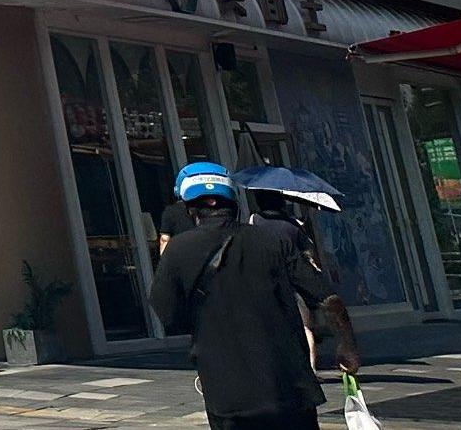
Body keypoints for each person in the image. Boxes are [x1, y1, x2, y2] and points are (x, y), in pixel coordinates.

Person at [150, 161, 358, 430]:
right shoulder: (272, 241)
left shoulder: (178, 251)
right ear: (233, 202)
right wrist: (347, 344)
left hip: (228, 392)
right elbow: (326, 298)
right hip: (290, 387)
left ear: (191, 208)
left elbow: (167, 313)